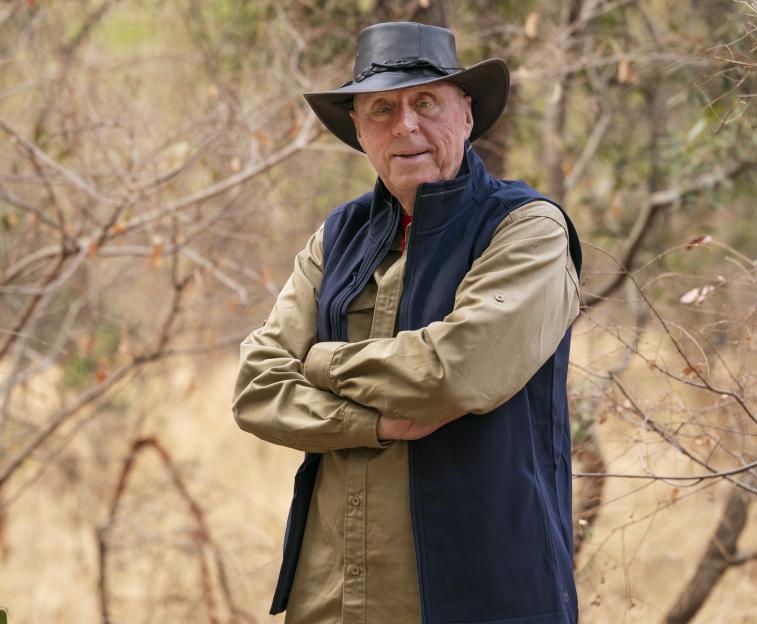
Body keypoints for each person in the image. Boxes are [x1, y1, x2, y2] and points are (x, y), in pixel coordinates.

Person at [232, 21, 582, 624]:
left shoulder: (526, 228)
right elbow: (256, 388)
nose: (406, 126)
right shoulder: (337, 236)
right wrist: (375, 422)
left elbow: (453, 372)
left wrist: (319, 362)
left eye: (426, 103)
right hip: (334, 597)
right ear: (361, 132)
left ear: (465, 115)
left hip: (484, 594)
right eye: (382, 110)